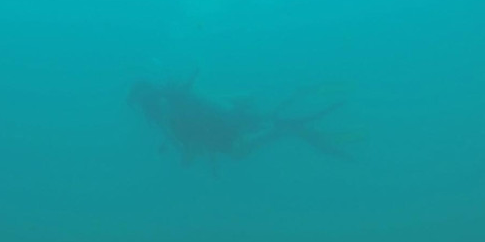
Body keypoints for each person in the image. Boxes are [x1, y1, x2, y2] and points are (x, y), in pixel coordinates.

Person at [128, 73, 354, 169]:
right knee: (266, 126)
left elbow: (180, 143)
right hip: (227, 119)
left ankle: (291, 126)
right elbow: (229, 100)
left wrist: (186, 157)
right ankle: (292, 112)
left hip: (220, 132)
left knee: (245, 148)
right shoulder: (174, 96)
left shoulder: (160, 109)